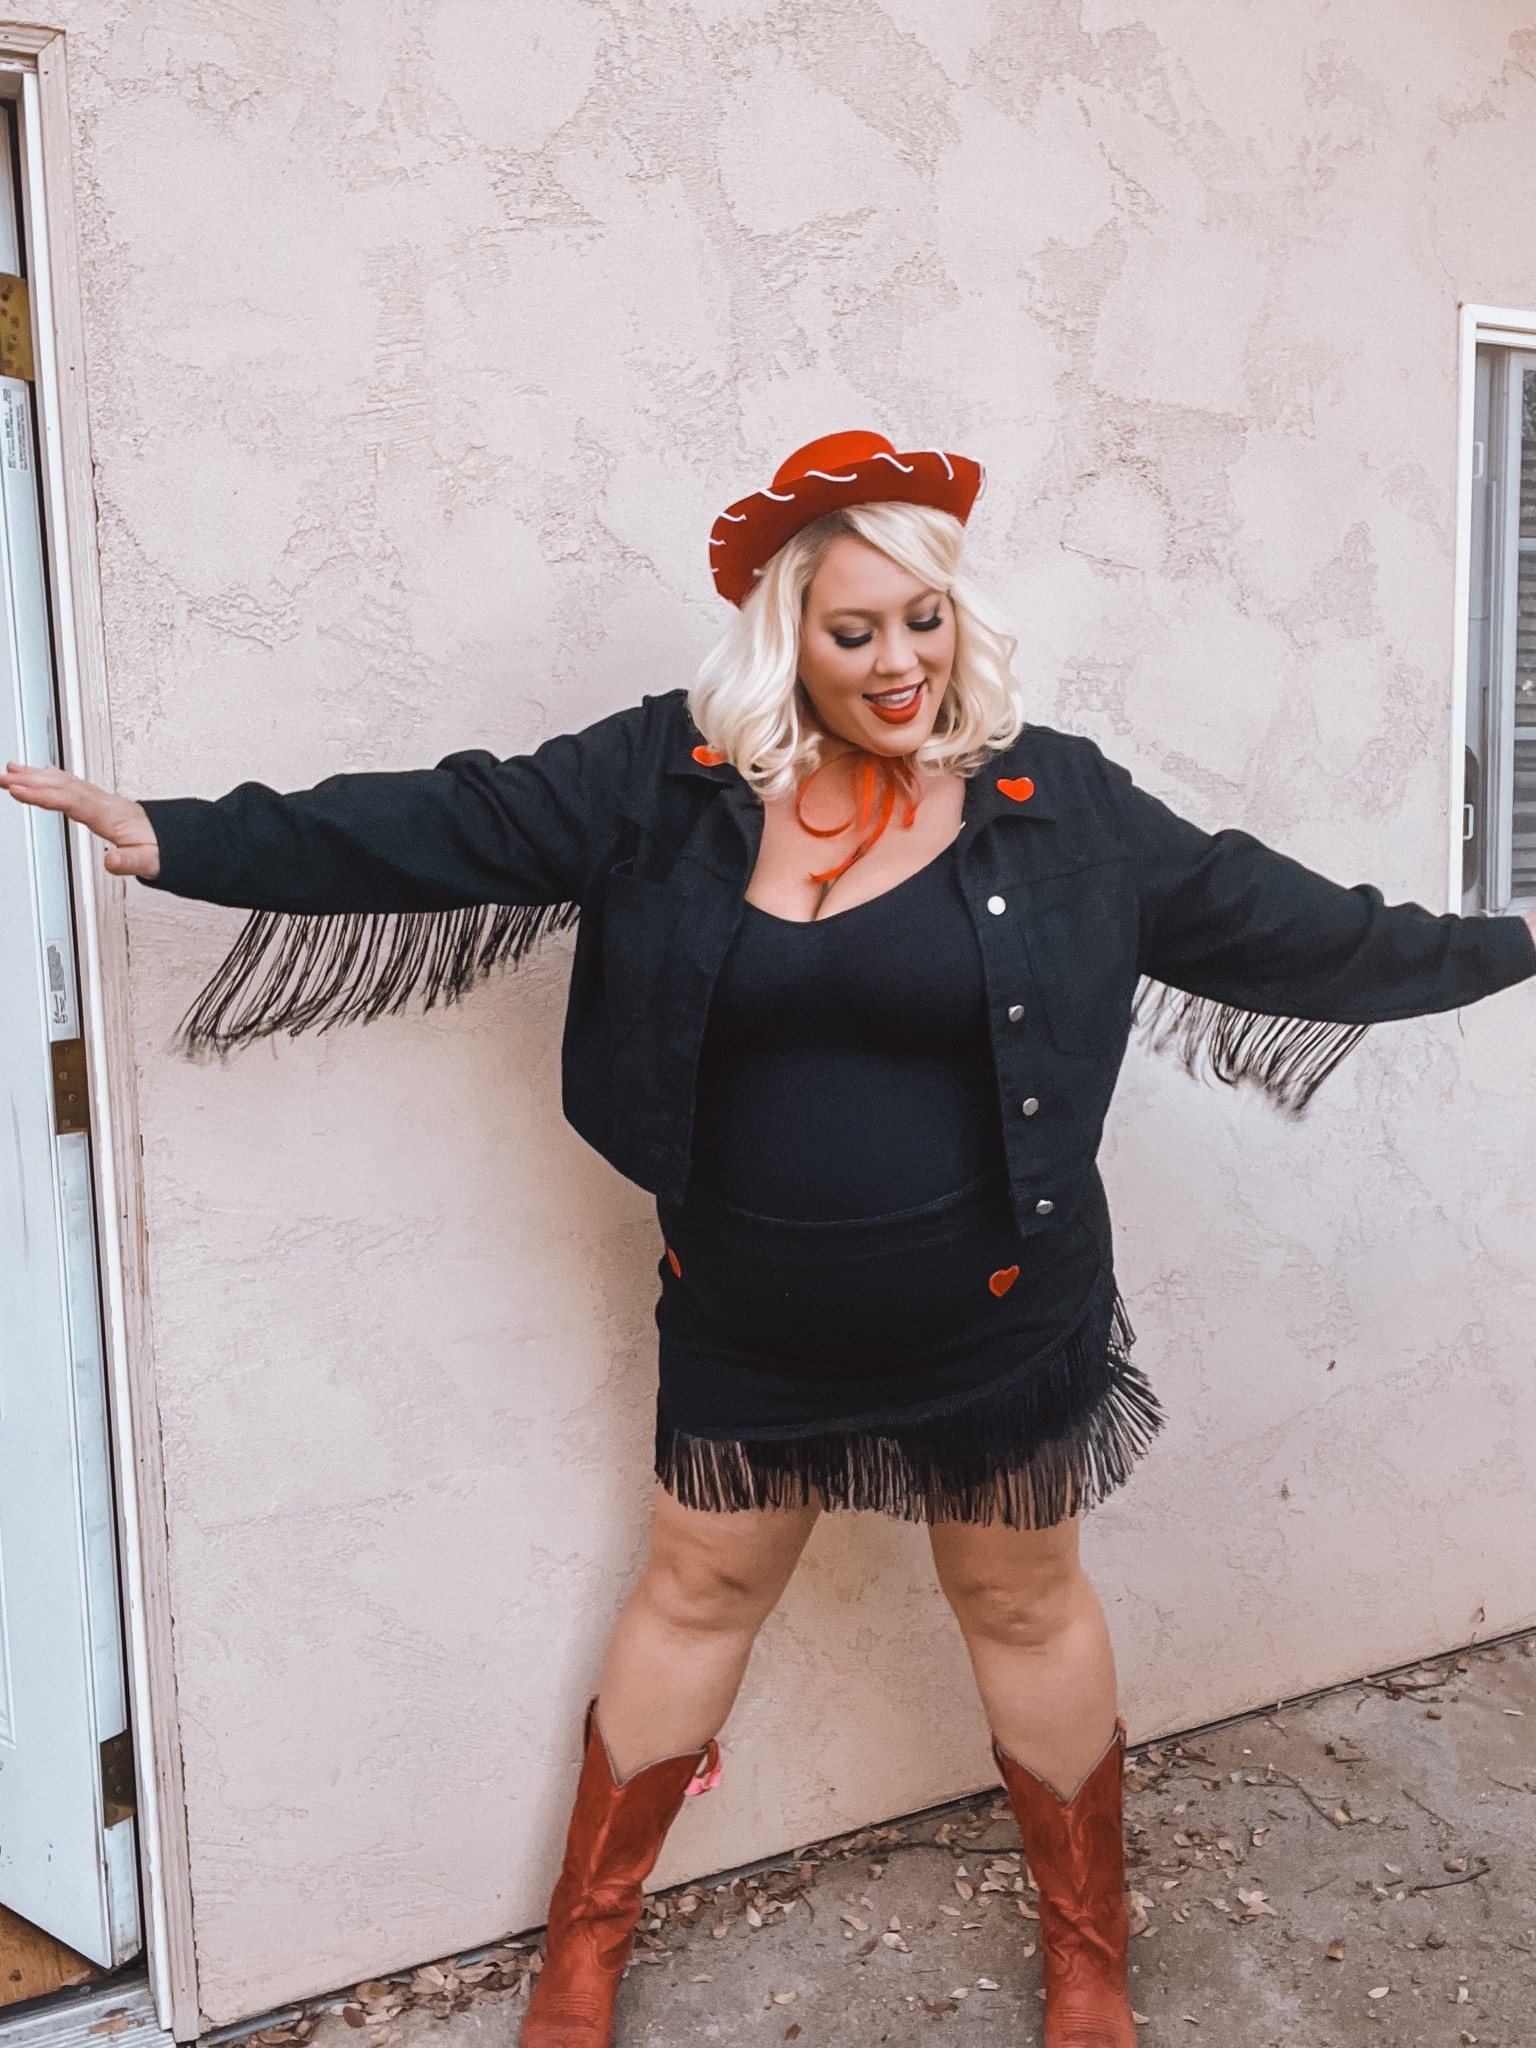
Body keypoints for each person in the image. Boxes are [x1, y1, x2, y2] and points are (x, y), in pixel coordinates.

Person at [6, 429, 1534, 2048]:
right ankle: (586, 1944)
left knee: (1024, 1608)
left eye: (925, 620)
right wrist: (185, 836)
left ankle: (1089, 1949)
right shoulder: (661, 785)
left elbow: (1283, 922)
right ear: (787, 633)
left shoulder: (1057, 801)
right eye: (855, 629)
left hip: (1000, 1319)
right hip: (747, 1318)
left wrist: (1509, 940)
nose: (901, 663)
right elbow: (441, 823)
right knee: (694, 1592)